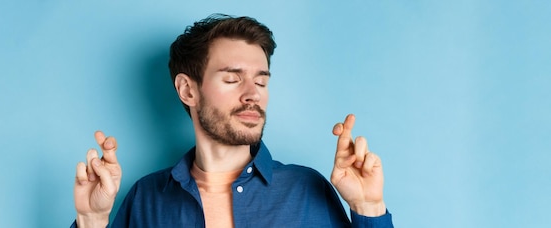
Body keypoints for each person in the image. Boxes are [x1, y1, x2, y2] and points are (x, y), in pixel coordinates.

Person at [72, 14, 393, 228]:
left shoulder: (307, 191)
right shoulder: (147, 198)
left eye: (262, 81)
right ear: (188, 90)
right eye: (232, 79)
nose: (253, 94)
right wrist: (91, 218)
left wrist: (369, 207)